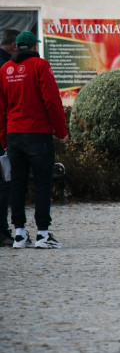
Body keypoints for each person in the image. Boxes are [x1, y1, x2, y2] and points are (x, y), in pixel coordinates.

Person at [0, 31, 68, 249]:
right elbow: (52, 99)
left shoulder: (4, 70)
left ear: (17, 46)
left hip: (14, 135)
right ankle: (43, 234)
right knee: (42, 183)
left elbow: (1, 109)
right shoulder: (40, 65)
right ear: (32, 47)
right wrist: (61, 131)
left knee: (17, 184)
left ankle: (19, 234)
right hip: (38, 134)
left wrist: (3, 138)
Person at [0, 29, 19, 245]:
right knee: (5, 182)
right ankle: (3, 231)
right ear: (14, 46)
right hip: (4, 132)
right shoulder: (5, 67)